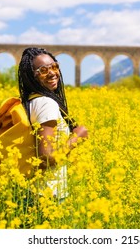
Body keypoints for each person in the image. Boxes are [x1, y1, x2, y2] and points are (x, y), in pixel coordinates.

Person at [18, 47, 88, 199]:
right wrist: (77, 137)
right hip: (48, 194)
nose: (52, 73)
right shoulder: (46, 104)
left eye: (54, 67)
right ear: (32, 76)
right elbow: (46, 158)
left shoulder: (31, 100)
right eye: (43, 70)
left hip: (31, 189)